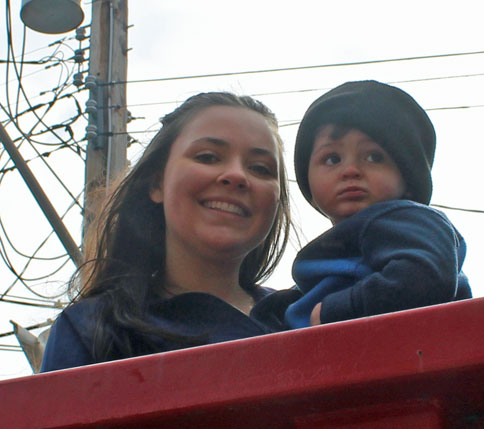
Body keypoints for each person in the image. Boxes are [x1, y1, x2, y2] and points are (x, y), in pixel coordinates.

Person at [41, 92, 300, 372]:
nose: (237, 175)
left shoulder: (305, 317)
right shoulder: (90, 329)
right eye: (208, 156)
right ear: (157, 184)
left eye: (260, 168)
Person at [285, 80, 472, 329]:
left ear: (407, 178)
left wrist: (339, 311)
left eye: (374, 157)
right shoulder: (347, 244)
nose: (350, 170)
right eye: (332, 158)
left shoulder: (410, 220)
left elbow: (423, 277)